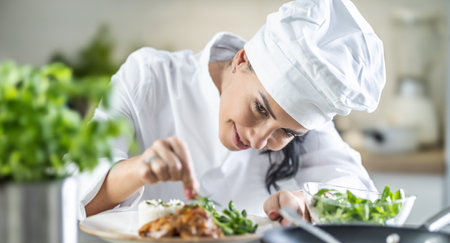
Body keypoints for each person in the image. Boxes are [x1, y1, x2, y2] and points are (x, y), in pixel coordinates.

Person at [77, 0, 386, 225]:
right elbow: (73, 198)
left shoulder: (303, 124)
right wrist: (139, 170)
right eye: (260, 108)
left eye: (288, 132)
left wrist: (312, 204)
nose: (260, 139)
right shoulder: (149, 78)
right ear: (241, 60)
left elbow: (365, 200)